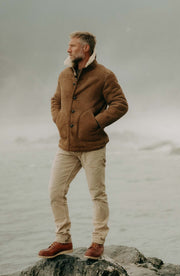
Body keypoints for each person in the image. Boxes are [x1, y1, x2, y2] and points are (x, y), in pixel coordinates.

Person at [38, 32, 128, 259]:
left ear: (85, 49)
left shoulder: (104, 75)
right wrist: (58, 120)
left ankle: (97, 242)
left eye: (72, 46)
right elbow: (55, 100)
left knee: (97, 194)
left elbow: (120, 104)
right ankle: (63, 240)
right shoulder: (64, 74)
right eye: (68, 46)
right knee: (55, 192)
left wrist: (95, 123)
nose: (68, 50)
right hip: (66, 147)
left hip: (93, 146)